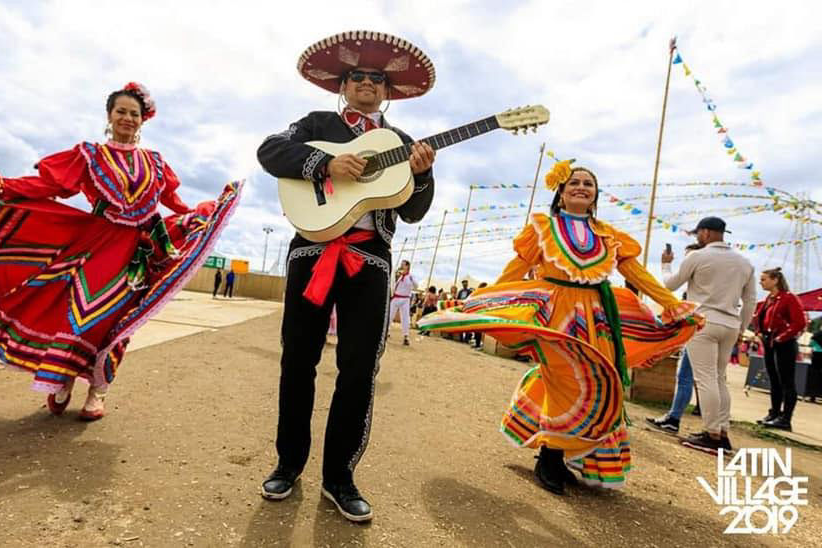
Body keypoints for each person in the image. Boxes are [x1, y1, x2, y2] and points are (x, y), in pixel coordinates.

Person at [0, 82, 241, 421]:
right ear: (109, 116)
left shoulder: (157, 163)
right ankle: (63, 377)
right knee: (78, 312)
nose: (127, 119)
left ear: (143, 120)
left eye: (134, 113)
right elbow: (46, 185)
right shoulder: (89, 155)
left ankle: (98, 390)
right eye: (121, 112)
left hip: (137, 251)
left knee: (117, 321)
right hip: (93, 245)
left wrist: (203, 212)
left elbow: (172, 201)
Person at [420, 159, 700, 495]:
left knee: (597, 379)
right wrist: (484, 299)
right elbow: (517, 268)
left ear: (595, 195)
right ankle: (550, 455)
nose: (581, 187)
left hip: (597, 317)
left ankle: (563, 453)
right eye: (574, 183)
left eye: (588, 184)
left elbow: (637, 274)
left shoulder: (609, 235)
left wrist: (671, 304)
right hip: (556, 314)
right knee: (565, 378)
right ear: (561, 193)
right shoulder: (543, 228)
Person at [256, 30, 436, 522]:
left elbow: (415, 211)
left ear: (388, 91)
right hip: (311, 252)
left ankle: (340, 476)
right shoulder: (316, 122)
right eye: (358, 76)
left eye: (377, 79)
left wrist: (422, 174)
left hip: (371, 261)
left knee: (359, 370)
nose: (367, 85)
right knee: (299, 360)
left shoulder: (401, 143)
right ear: (344, 83)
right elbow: (269, 151)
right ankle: (288, 463)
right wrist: (326, 162)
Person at [662, 216, 756, 454]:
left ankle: (712, 434)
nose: (697, 238)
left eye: (698, 234)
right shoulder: (744, 262)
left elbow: (670, 285)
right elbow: (750, 301)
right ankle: (722, 431)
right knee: (719, 378)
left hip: (704, 321)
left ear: (705, 233)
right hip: (730, 323)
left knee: (705, 379)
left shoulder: (698, 256)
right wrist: (741, 328)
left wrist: (666, 264)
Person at [646, 242, 705, 434]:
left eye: (689, 258)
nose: (686, 262)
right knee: (712, 378)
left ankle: (674, 418)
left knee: (685, 376)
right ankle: (717, 428)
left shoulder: (697, 289)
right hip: (718, 326)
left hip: (699, 327)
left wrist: (666, 264)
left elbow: (669, 284)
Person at [750, 268, 806, 431]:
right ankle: (774, 412)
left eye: (764, 279)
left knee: (786, 380)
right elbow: (759, 318)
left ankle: (785, 418)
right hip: (769, 342)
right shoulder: (769, 299)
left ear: (775, 280)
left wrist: (782, 337)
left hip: (784, 343)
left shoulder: (789, 298)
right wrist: (759, 333)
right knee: (774, 379)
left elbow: (799, 322)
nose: (761, 282)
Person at [390, 260, 417, 346]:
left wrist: (412, 280)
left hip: (405, 299)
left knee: (405, 318)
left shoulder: (411, 276)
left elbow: (416, 286)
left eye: (403, 265)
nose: (401, 266)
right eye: (401, 265)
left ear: (407, 266)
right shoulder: (399, 275)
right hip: (396, 297)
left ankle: (406, 336)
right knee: (390, 315)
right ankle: (386, 332)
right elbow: (393, 286)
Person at [809, 328, 822, 404]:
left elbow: (811, 343)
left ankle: (812, 396)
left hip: (816, 355)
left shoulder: (816, 334)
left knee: (814, 375)